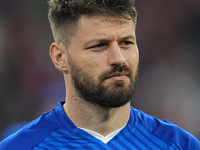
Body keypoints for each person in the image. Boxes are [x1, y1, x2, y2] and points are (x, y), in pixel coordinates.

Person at [0, 0, 200, 149]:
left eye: (127, 43)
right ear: (60, 57)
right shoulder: (21, 147)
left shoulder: (179, 144)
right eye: (99, 46)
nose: (119, 58)